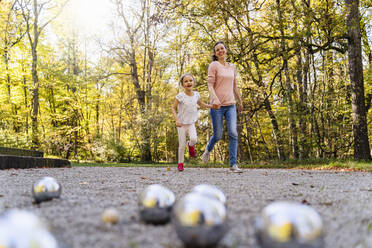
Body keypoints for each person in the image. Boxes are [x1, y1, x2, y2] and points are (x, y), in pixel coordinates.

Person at [202, 41, 244, 173]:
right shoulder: (213, 65)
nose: (220, 51)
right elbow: (210, 84)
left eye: (222, 48)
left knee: (233, 133)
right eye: (217, 50)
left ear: (226, 50)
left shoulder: (232, 66)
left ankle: (233, 164)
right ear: (215, 53)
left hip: (231, 105)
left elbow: (235, 86)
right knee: (218, 135)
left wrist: (240, 101)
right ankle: (208, 150)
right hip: (217, 105)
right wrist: (215, 98)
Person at [172, 73, 212, 171]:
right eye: (186, 81)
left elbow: (201, 104)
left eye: (190, 80)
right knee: (181, 145)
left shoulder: (196, 95)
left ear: (193, 82)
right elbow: (173, 108)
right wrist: (176, 120)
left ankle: (190, 145)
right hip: (181, 124)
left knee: (194, 139)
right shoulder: (180, 96)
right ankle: (180, 163)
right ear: (182, 84)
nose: (188, 82)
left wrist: (211, 106)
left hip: (191, 123)